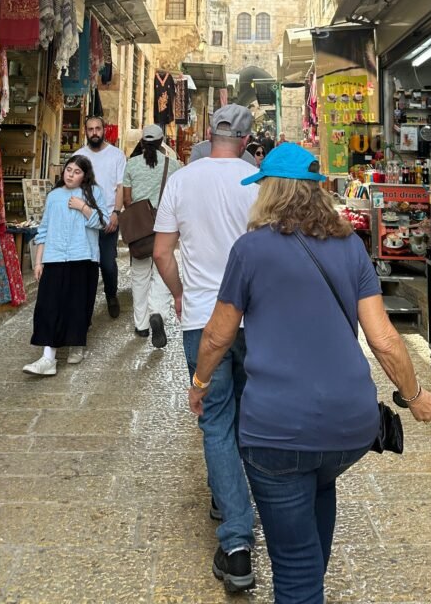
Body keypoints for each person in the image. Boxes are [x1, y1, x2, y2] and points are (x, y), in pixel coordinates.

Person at [188, 143, 431, 604]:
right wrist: (416, 395)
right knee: (319, 489)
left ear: (270, 192)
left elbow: (216, 337)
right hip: (348, 429)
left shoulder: (250, 250)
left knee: (295, 569)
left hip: (278, 432)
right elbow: (384, 339)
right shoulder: (350, 247)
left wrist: (200, 383)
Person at [153, 104, 259, 592]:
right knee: (249, 414)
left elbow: (160, 252)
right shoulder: (258, 179)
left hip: (201, 318)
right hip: (254, 320)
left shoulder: (182, 179)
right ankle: (238, 499)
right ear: (244, 137)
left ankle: (236, 542)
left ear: (210, 133)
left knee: (215, 419)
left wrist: (179, 292)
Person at [23, 156, 108, 376]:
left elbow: (103, 222)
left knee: (78, 305)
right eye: (68, 170)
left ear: (85, 175)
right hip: (54, 257)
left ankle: (76, 344)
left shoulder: (94, 193)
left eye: (76, 171)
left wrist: (83, 207)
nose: (70, 175)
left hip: (83, 257)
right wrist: (39, 261)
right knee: (48, 306)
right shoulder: (54, 196)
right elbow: (44, 229)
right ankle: (47, 358)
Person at [122, 124, 183, 347]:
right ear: (161, 142)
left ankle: (141, 325)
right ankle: (157, 311)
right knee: (163, 268)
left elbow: (127, 199)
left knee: (139, 274)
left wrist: (139, 213)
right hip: (164, 223)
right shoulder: (174, 165)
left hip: (140, 224)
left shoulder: (131, 164)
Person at [75, 115, 126, 318]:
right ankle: (84, 305)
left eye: (98, 128)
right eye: (90, 129)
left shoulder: (116, 155)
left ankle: (111, 294)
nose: (94, 132)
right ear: (85, 132)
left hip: (108, 219)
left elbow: (121, 186)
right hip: (84, 219)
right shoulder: (79, 155)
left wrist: (116, 212)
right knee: (87, 264)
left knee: (107, 263)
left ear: (104, 130)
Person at [190, 127, 256, 165]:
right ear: (246, 139)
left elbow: (191, 172)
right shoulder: (250, 160)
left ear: (209, 133)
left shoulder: (199, 149)